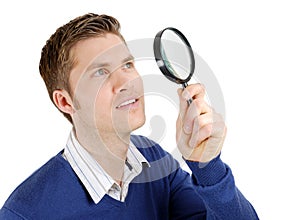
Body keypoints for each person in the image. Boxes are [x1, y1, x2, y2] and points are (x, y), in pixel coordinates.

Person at [0, 13, 258, 219]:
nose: (126, 81)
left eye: (127, 64)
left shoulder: (155, 161)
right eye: (100, 72)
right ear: (65, 101)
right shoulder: (24, 212)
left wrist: (207, 166)